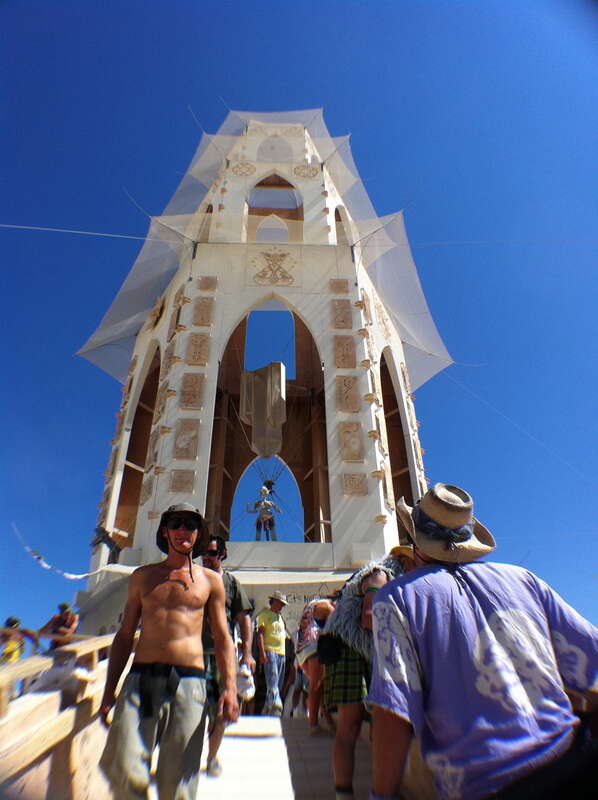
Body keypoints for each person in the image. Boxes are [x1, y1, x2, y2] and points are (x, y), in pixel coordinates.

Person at [368, 483, 598, 800]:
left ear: (415, 543)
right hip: (576, 756)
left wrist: (381, 795)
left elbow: (394, 712)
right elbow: (590, 656)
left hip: (489, 785)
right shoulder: (523, 579)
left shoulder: (397, 598)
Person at [99, 503, 239, 800]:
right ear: (165, 531)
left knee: (178, 783)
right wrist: (109, 689)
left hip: (189, 682)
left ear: (198, 533)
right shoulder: (143, 577)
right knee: (123, 769)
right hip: (141, 680)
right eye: (176, 523)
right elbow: (125, 636)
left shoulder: (211, 581)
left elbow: (224, 637)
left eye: (190, 524)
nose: (183, 531)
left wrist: (230, 688)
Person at [202, 535, 254, 778]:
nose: (206, 557)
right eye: (204, 553)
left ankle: (211, 756)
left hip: (223, 655)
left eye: (212, 553)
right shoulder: (192, 577)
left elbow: (244, 617)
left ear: (222, 554)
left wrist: (248, 653)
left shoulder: (231, 582)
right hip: (193, 654)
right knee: (192, 710)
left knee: (222, 710)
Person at [296, 598, 335, 734]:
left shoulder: (313, 604)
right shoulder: (329, 607)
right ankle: (313, 724)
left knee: (320, 686)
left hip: (302, 650)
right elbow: (335, 628)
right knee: (316, 685)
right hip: (314, 647)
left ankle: (329, 722)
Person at [256, 590, 288, 715]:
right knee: (273, 678)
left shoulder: (280, 617)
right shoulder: (265, 614)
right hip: (270, 650)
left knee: (277, 682)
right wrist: (262, 652)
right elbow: (260, 634)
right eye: (280, 603)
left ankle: (267, 706)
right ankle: (276, 706)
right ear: (274, 602)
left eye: (283, 604)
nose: (282, 606)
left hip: (282, 652)